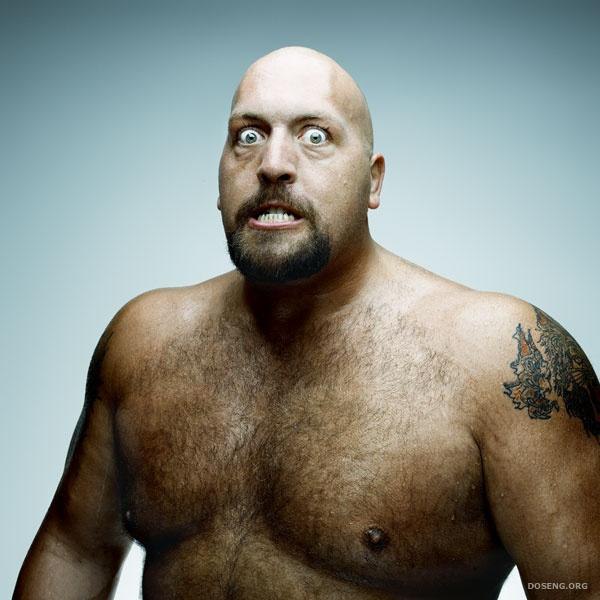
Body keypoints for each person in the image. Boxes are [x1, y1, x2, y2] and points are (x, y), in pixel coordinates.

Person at [14, 46, 600, 600]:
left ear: (373, 181)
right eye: (248, 136)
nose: (272, 164)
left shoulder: (504, 361)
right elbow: (76, 550)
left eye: (315, 136)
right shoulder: (142, 341)